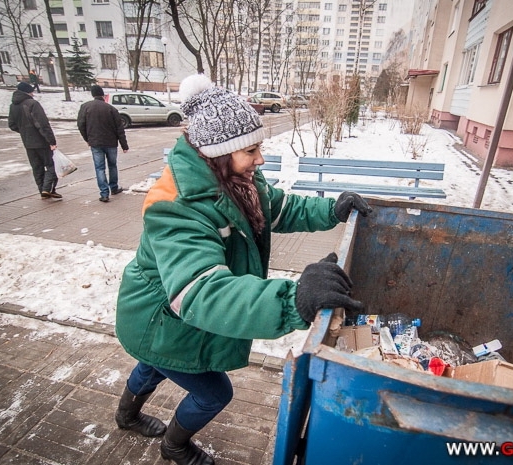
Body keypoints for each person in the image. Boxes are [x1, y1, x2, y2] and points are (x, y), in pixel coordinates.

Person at [114, 74, 372, 465]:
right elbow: (202, 292)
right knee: (213, 393)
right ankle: (174, 445)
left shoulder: (236, 177)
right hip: (161, 317)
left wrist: (331, 209)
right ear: (219, 152)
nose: (260, 159)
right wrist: (293, 299)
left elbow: (279, 208)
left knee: (152, 363)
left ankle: (125, 415)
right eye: (251, 150)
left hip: (172, 321)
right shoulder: (176, 206)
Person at [8, 81, 60, 199]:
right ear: (28, 92)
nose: (33, 93)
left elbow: (12, 125)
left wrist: (25, 132)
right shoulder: (32, 104)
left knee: (37, 168)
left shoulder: (13, 106)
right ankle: (47, 189)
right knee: (52, 165)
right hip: (41, 141)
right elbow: (42, 124)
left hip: (28, 143)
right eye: (31, 91)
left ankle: (43, 190)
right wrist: (51, 141)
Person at [77, 85, 129, 202]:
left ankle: (104, 193)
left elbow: (81, 125)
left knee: (99, 168)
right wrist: (124, 145)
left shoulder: (85, 107)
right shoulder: (111, 109)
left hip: (95, 143)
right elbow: (119, 129)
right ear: (102, 95)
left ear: (92, 95)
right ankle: (114, 187)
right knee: (112, 165)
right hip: (111, 143)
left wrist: (87, 139)